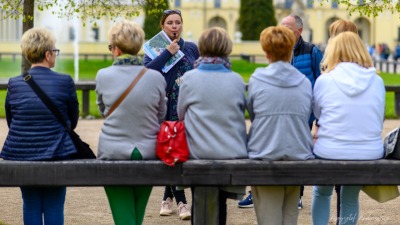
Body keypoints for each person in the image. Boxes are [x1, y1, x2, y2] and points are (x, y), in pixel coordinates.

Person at [0, 27, 79, 225]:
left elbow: (12, 120)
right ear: (47, 54)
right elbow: (72, 121)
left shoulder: (15, 83)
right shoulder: (64, 81)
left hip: (22, 154)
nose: (56, 55)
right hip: (57, 153)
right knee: (54, 204)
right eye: (55, 51)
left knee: (31, 203)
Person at [95, 20, 167, 225]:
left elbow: (103, 110)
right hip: (148, 151)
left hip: (113, 152)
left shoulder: (103, 75)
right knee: (137, 214)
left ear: (116, 49)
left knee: (123, 217)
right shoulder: (156, 78)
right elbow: (161, 114)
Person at [311, 31, 385, 225]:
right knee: (350, 197)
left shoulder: (324, 80)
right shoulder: (376, 81)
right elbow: (379, 116)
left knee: (321, 191)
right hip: (367, 151)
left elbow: (318, 115)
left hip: (330, 150)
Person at [177, 27, 248, 225]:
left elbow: (180, 115)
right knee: (220, 205)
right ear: (227, 48)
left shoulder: (190, 79)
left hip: (197, 154)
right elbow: (239, 113)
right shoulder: (236, 80)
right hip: (229, 153)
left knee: (200, 201)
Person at [247, 25, 315, 225]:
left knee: (268, 218)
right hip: (297, 153)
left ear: (266, 52)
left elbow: (253, 114)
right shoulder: (303, 81)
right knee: (290, 217)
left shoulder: (257, 78)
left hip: (266, 152)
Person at [144, 9, 199, 220]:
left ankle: (167, 198)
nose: (174, 26)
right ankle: (182, 202)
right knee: (171, 150)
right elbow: (148, 73)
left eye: (177, 22)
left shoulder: (191, 48)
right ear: (163, 26)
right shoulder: (153, 48)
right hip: (166, 107)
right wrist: (167, 52)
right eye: (170, 23)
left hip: (187, 108)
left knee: (180, 152)